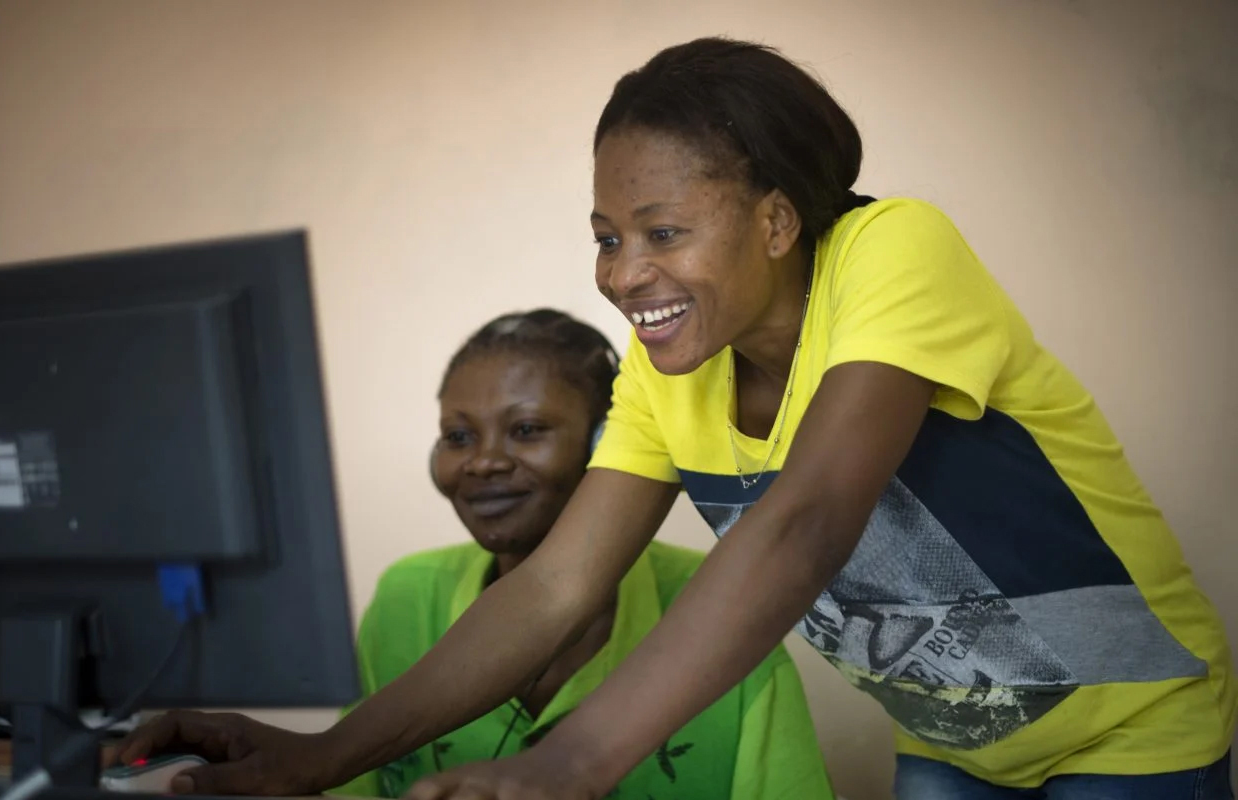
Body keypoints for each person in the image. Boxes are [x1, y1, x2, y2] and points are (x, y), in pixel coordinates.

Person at [118, 38, 1235, 800]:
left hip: (1132, 726)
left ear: (778, 220)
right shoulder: (668, 367)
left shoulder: (894, 251)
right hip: (959, 744)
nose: (622, 273)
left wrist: (581, 757)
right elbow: (558, 584)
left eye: (661, 231)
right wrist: (316, 761)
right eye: (606, 235)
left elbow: (806, 520)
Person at [331, 309, 833, 798]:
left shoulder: (716, 600)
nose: (482, 462)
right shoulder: (405, 596)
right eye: (458, 437)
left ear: (606, 442)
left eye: (526, 429)